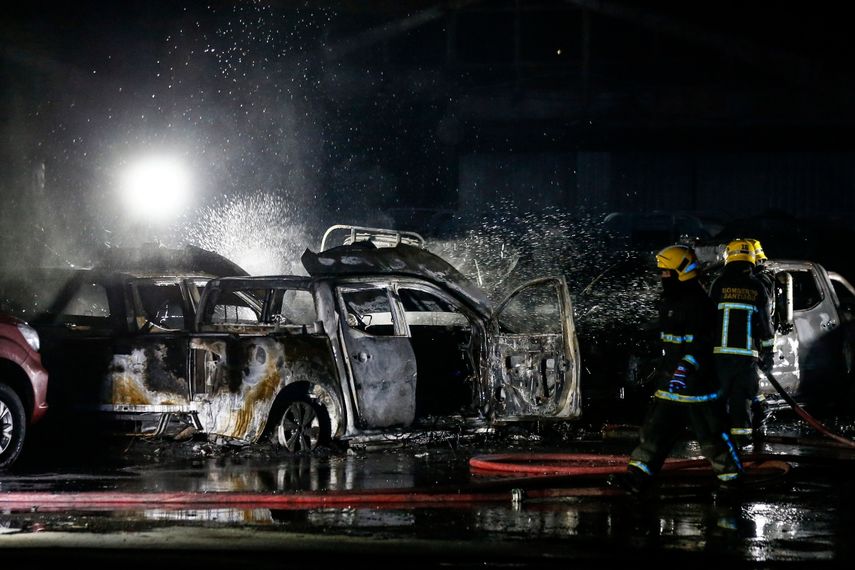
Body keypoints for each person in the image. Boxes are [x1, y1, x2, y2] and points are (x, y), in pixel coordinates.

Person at [610, 244, 744, 496]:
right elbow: (666, 338)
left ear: (681, 271)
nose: (662, 277)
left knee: (712, 436)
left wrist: (685, 368)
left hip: (697, 386)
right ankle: (637, 477)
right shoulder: (672, 301)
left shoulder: (699, 304)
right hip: (670, 383)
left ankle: (732, 480)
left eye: (666, 272)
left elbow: (702, 343)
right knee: (654, 433)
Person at [710, 239, 776, 451]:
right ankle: (744, 450)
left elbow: (708, 318)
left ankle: (717, 444)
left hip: (719, 355)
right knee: (742, 400)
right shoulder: (757, 287)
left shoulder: (718, 284)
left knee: (718, 399)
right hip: (746, 356)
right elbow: (766, 325)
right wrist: (768, 353)